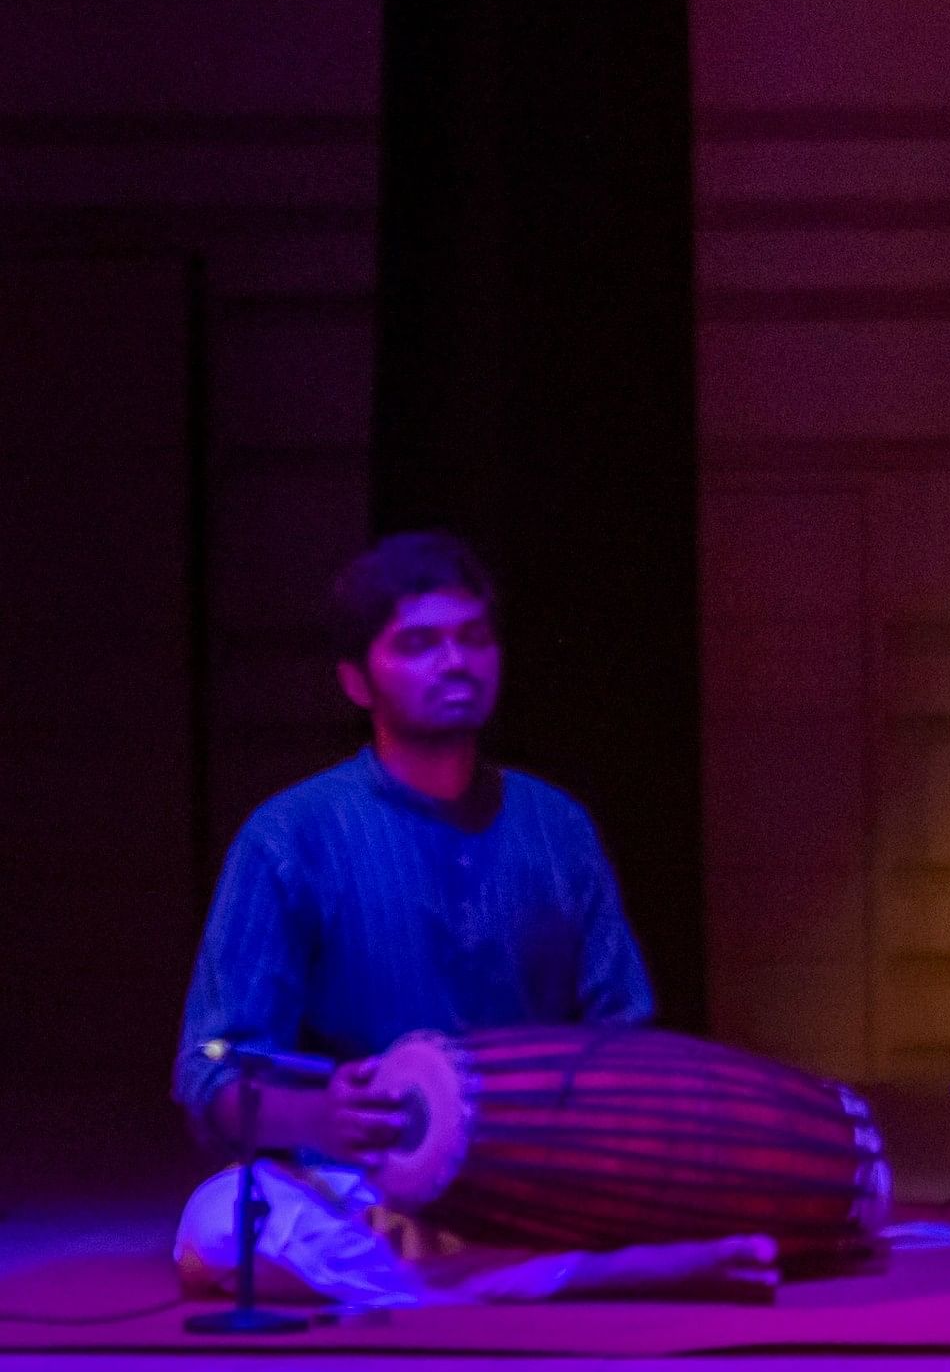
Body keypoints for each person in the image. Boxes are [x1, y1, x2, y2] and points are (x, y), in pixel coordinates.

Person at [170, 532, 782, 1305]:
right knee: (219, 1222)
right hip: (365, 1186)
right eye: (419, 644)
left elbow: (623, 1032)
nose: (455, 661)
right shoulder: (291, 837)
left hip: (541, 1185)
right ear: (356, 681)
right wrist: (322, 1118)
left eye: (474, 638)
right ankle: (582, 1278)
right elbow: (210, 1071)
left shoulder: (556, 825)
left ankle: (472, 1280)